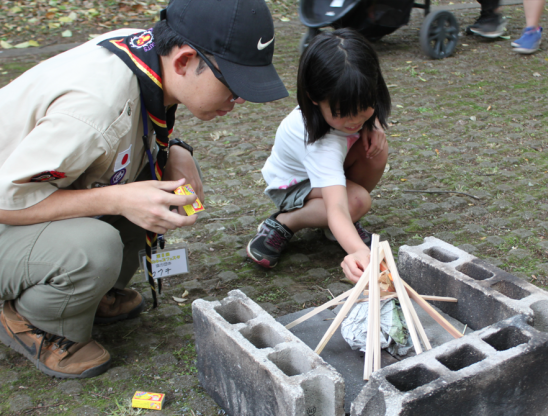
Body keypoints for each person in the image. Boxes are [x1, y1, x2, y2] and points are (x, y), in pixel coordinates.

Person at [0, 0, 288, 379]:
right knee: (95, 246)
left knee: (155, 193)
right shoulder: (94, 109)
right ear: (184, 61)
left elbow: (137, 125)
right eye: (234, 85)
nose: (239, 101)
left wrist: (176, 151)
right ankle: (34, 321)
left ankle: (87, 297)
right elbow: (7, 199)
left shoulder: (143, 53)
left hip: (29, 195)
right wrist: (117, 198)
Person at [246, 29, 391, 284]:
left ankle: (338, 228)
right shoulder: (320, 143)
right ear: (313, 97)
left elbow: (364, 107)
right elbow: (336, 205)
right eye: (342, 112)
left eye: (363, 108)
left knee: (376, 151)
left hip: (328, 172)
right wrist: (358, 251)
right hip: (292, 186)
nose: (355, 120)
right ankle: (285, 221)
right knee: (355, 202)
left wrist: (374, 125)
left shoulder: (353, 102)